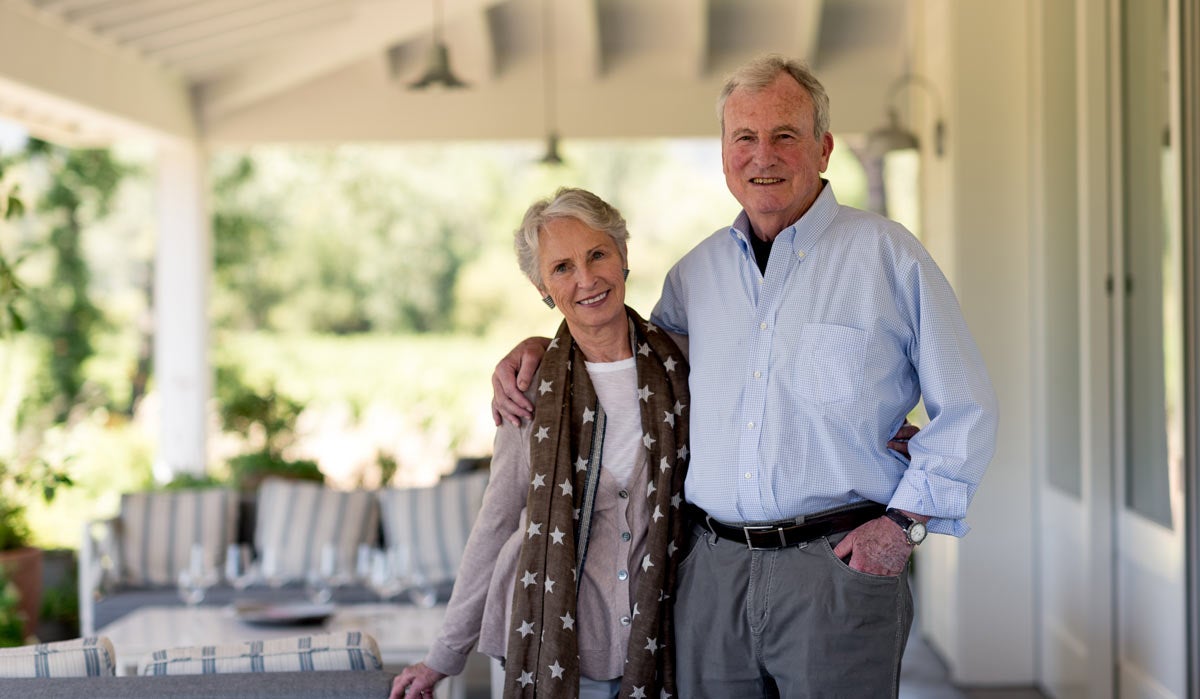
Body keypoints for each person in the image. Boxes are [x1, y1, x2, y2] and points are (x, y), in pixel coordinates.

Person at [491, 54, 999, 698]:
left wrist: (903, 525)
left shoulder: (887, 256)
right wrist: (543, 346)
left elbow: (969, 407)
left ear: (823, 148)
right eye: (745, 137)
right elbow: (630, 362)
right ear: (725, 154)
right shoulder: (695, 276)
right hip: (710, 573)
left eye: (785, 134)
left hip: (837, 565)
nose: (764, 155)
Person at [390, 188, 691, 699]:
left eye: (597, 254)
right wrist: (443, 656)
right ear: (542, 287)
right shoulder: (530, 386)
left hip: (663, 640)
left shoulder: (682, 365)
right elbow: (497, 521)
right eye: (562, 267)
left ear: (623, 255)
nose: (586, 279)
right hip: (552, 643)